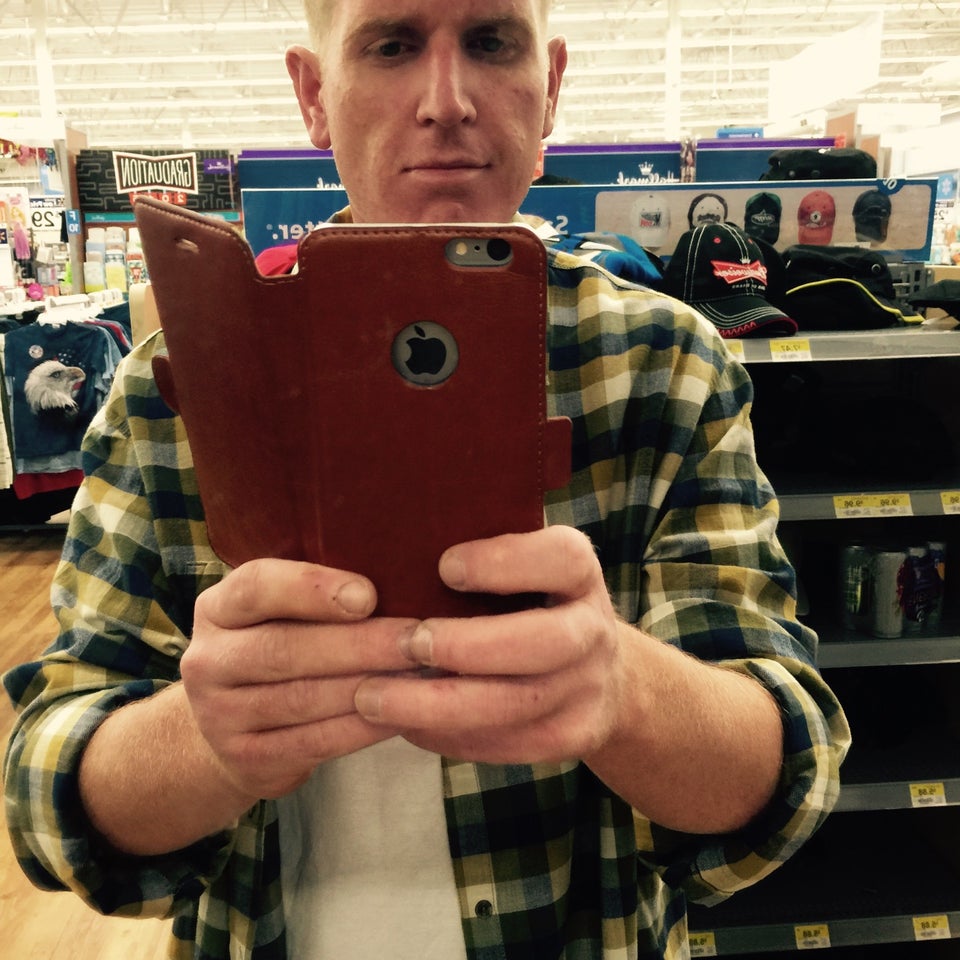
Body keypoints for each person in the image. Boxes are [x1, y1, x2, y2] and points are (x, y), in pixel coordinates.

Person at [3, 1, 850, 959]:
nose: (446, 101)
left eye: (490, 41)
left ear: (550, 86)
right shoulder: (175, 388)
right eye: (392, 44)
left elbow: (787, 774)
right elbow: (46, 792)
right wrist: (205, 740)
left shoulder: (665, 365)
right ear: (314, 95)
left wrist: (620, 691)